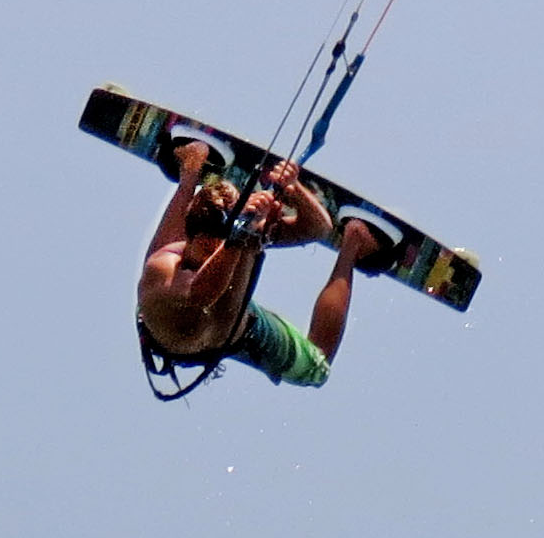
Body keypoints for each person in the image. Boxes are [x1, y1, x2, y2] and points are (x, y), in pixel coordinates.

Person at [136, 140, 381, 389]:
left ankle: (192, 169)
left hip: (232, 310)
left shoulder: (244, 232)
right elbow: (203, 294)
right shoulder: (166, 265)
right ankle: (356, 240)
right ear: (196, 236)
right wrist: (243, 235)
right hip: (213, 334)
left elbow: (319, 229)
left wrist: (293, 188)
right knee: (318, 369)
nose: (213, 250)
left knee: (238, 233)